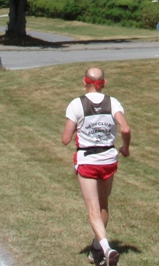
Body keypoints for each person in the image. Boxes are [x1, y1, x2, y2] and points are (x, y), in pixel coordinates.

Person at [62, 67, 131, 266]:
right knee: (103, 205)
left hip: (88, 160)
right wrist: (125, 147)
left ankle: (107, 248)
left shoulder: (76, 105)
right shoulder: (113, 102)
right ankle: (96, 248)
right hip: (109, 159)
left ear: (85, 82)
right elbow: (125, 128)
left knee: (93, 209)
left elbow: (65, 139)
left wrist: (77, 127)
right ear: (103, 83)